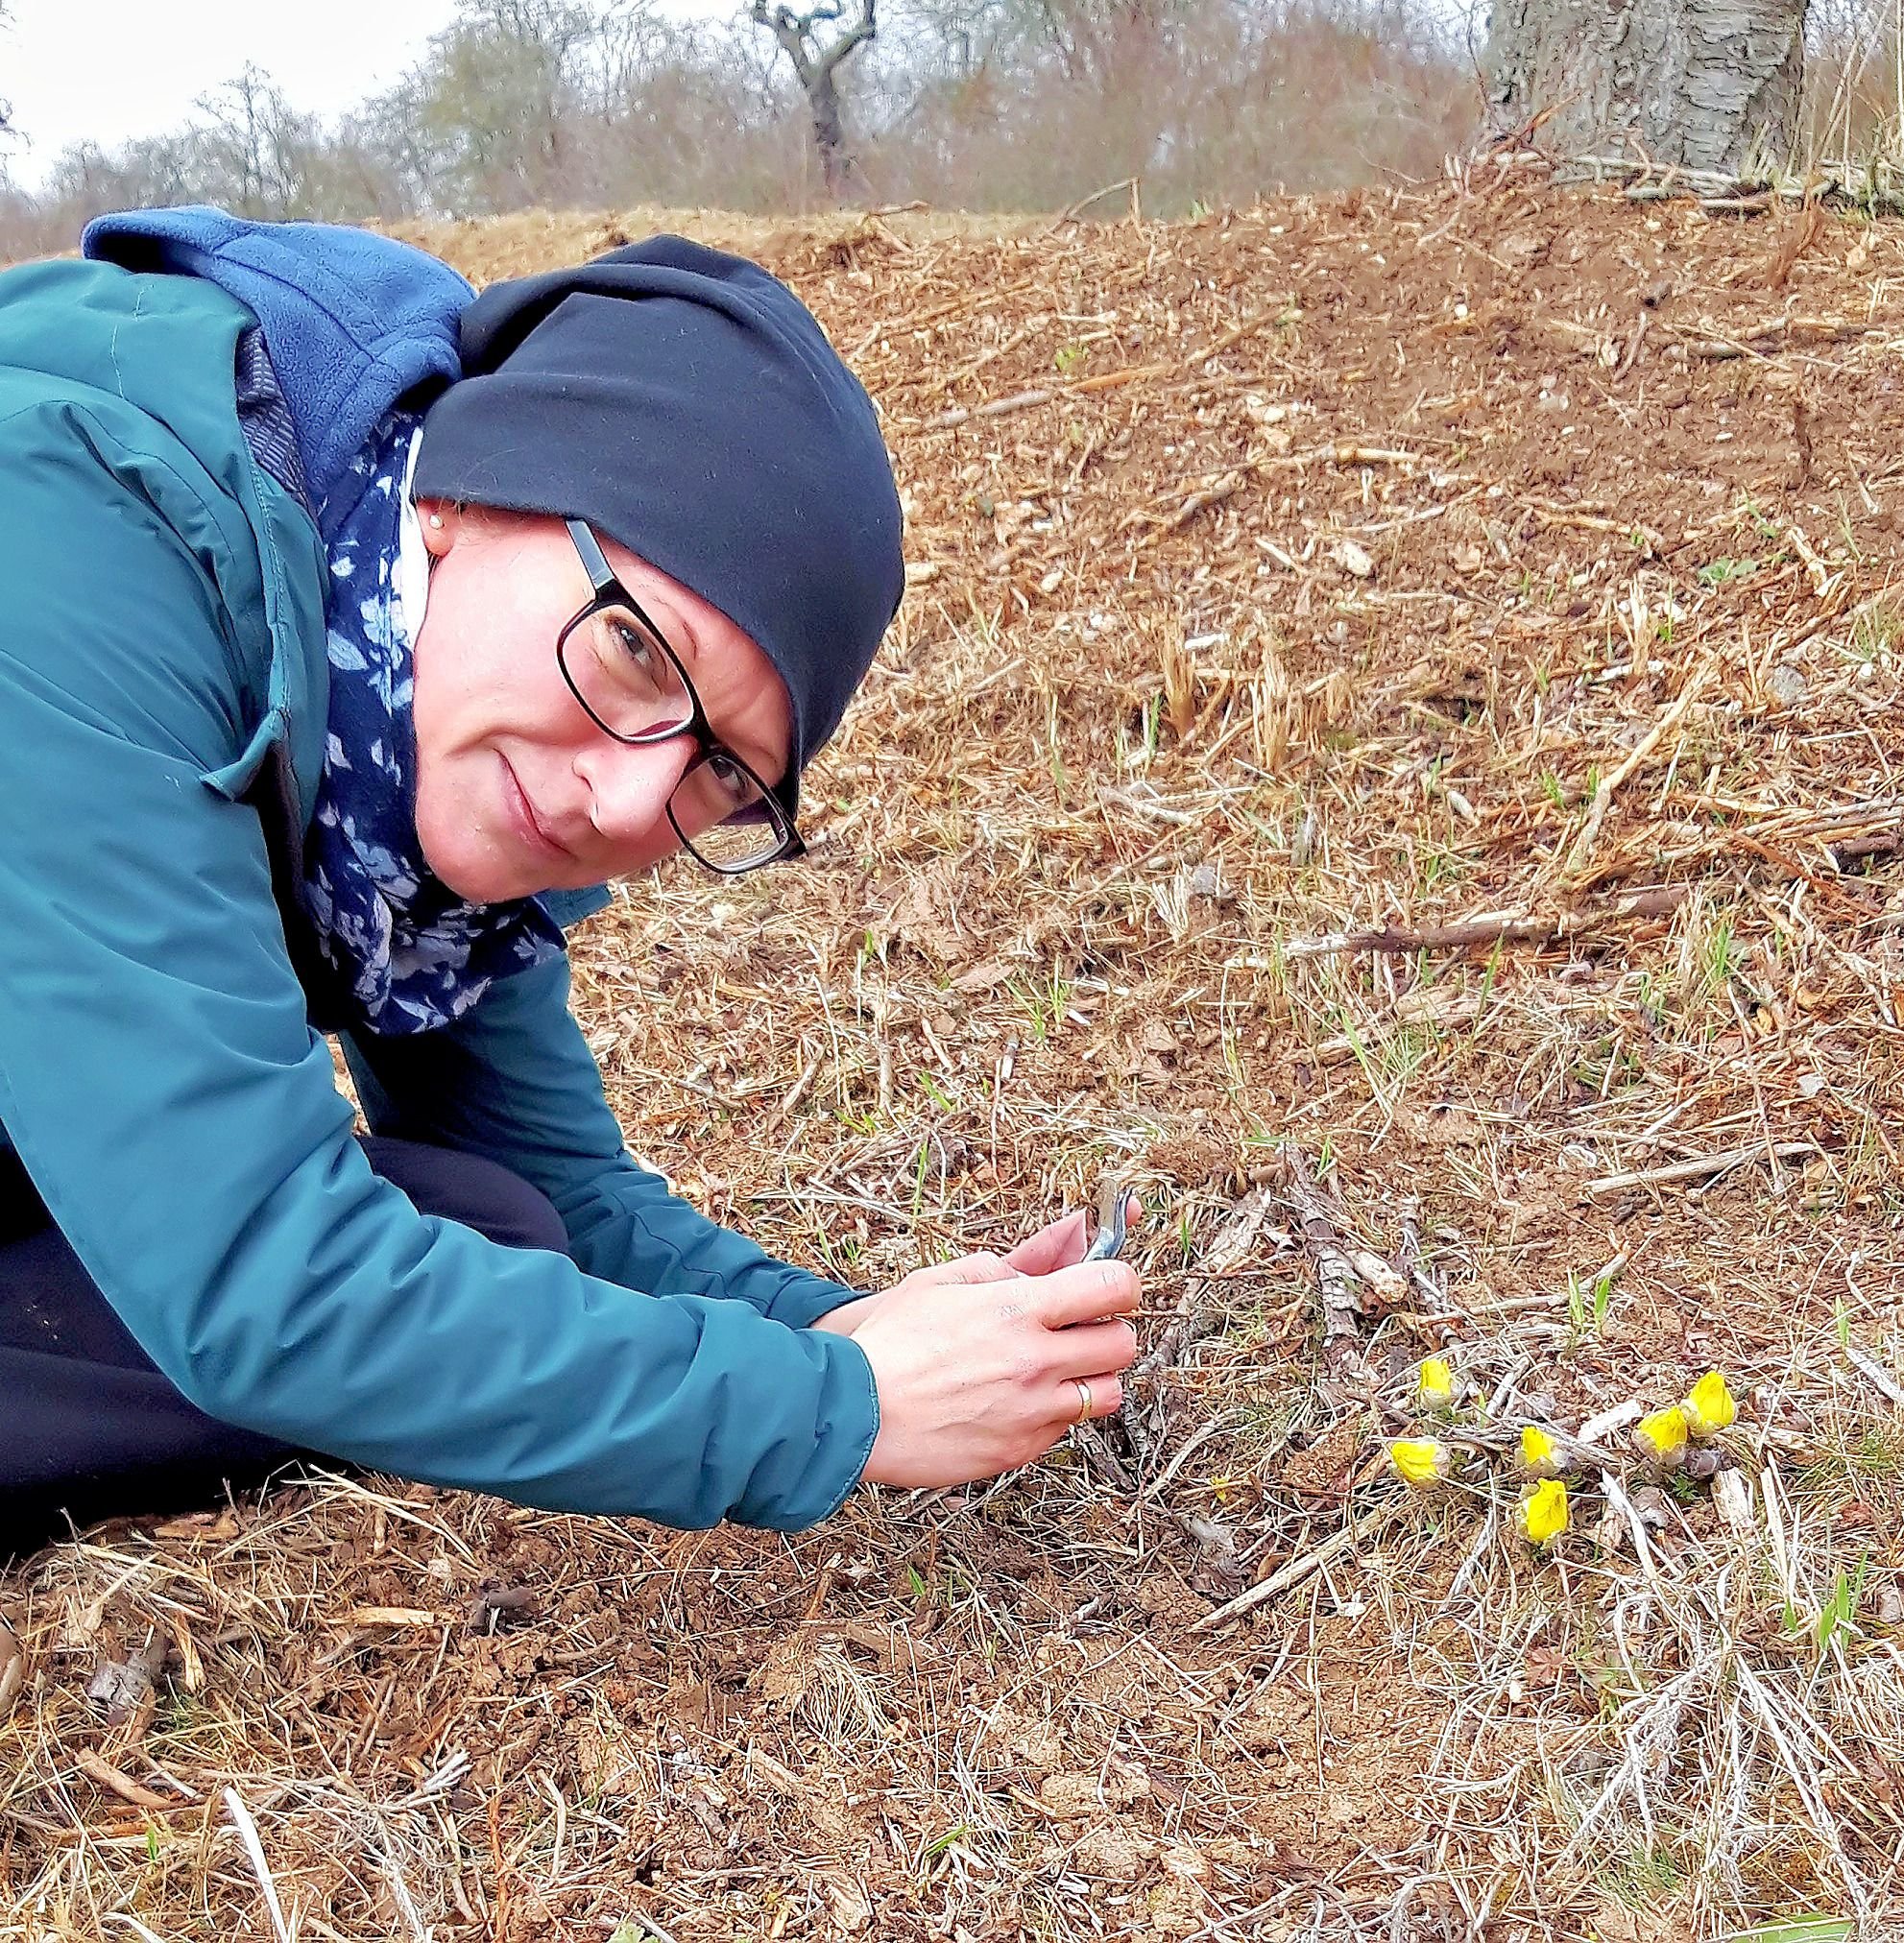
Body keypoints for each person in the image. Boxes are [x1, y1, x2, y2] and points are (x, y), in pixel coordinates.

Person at [0, 210, 1141, 1560]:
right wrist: (838, 1407)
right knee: (341, 1298)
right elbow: (260, 1276)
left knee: (490, 1224)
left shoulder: (403, 734)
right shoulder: (67, 532)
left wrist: (857, 1331)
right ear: (467, 496)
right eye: (636, 657)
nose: (622, 802)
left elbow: (551, 1187)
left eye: (722, 778)